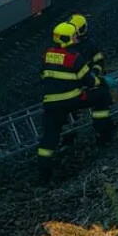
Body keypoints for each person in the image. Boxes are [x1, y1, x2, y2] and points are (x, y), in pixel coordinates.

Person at [37, 20, 97, 183]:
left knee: (49, 137)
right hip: (72, 100)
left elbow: (43, 76)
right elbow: (90, 81)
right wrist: (101, 81)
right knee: (101, 96)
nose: (77, 38)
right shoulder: (73, 57)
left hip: (50, 104)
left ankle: (44, 175)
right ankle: (104, 133)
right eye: (74, 36)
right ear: (68, 39)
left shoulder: (46, 55)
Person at [69, 13, 116, 139]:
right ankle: (103, 130)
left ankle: (103, 129)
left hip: (80, 88)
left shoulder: (82, 46)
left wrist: (94, 74)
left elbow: (99, 61)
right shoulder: (82, 47)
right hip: (81, 89)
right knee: (103, 96)